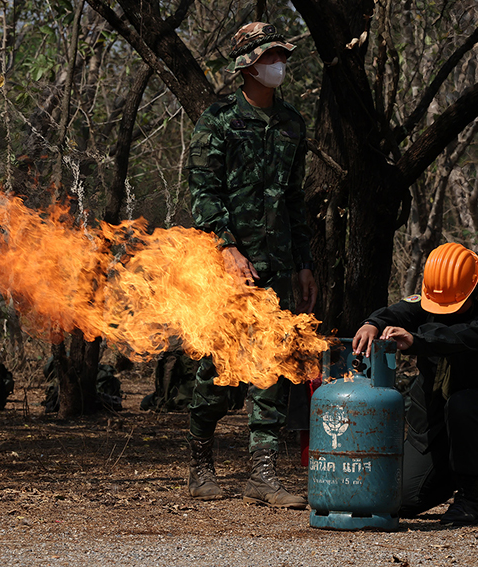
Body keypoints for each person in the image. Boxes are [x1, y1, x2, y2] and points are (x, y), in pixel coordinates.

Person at [183, 22, 317, 508]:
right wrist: (225, 247)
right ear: (248, 65)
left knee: (272, 364)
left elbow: (296, 200)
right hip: (227, 267)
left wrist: (304, 263)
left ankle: (263, 472)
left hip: (279, 264)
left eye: (281, 54)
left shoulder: (291, 123)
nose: (279, 63)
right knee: (218, 371)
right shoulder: (216, 121)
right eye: (270, 55)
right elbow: (203, 192)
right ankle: (201, 461)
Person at [352, 243, 478, 526]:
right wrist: (372, 323)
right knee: (401, 502)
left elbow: (463, 336)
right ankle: (477, 470)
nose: (444, 311)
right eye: (438, 306)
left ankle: (471, 497)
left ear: (476, 289)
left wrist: (417, 341)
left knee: (463, 403)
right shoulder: (432, 298)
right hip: (434, 423)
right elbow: (398, 312)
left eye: (452, 305)